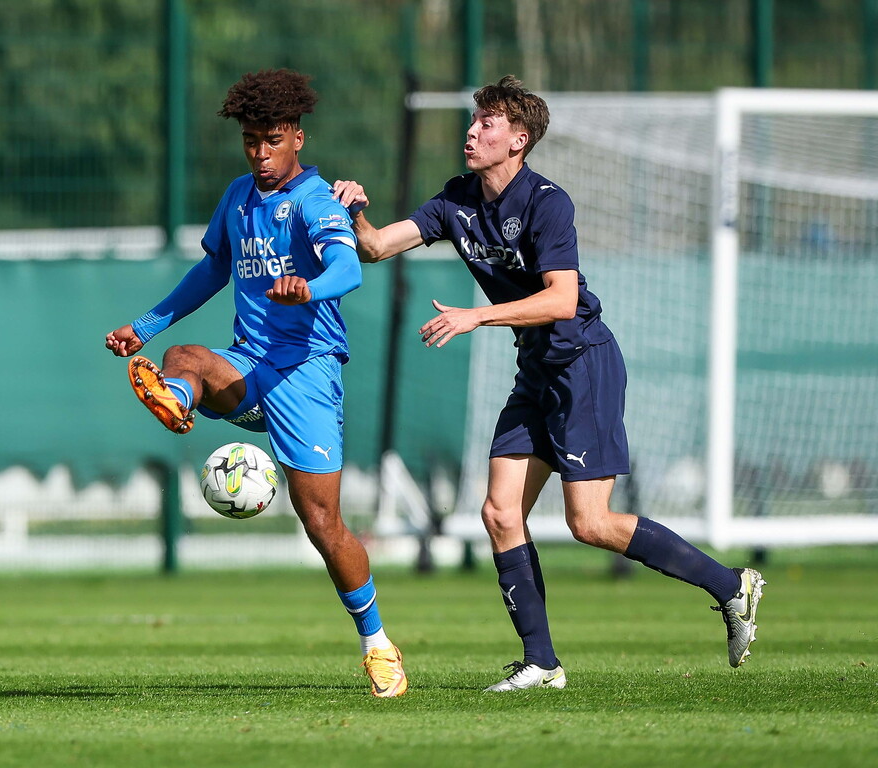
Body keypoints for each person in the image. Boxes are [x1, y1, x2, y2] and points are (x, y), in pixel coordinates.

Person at [333, 75, 764, 692]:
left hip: (581, 362)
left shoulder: (546, 202)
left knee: (589, 522)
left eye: (488, 123)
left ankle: (732, 586)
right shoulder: (455, 199)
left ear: (519, 140)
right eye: (475, 120)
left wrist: (475, 316)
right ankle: (542, 663)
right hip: (536, 367)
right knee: (499, 511)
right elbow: (375, 248)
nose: (473, 130)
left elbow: (563, 300)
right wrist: (355, 211)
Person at [105, 69, 407, 698]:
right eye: (250, 141)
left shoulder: (319, 200)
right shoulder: (238, 197)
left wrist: (310, 286)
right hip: (248, 366)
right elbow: (211, 269)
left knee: (322, 523)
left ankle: (376, 641)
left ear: (297, 136)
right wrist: (144, 326)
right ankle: (178, 400)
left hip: (308, 373)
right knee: (185, 354)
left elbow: (348, 267)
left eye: (272, 140)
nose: (261, 154)